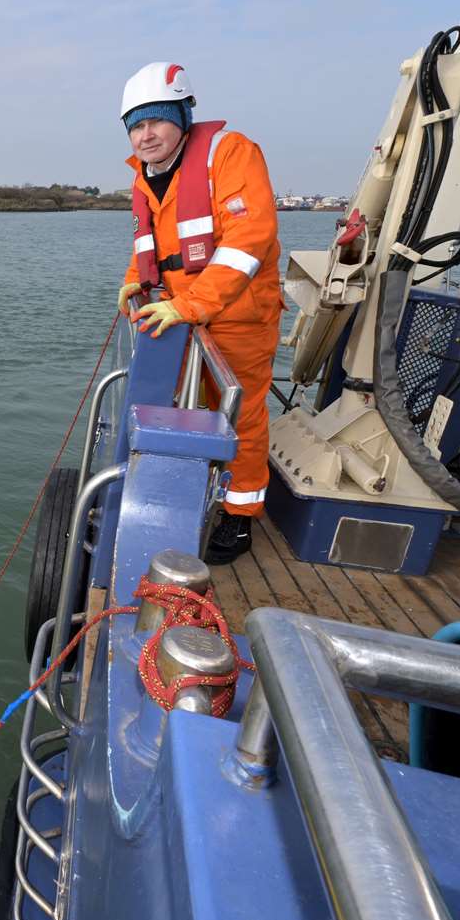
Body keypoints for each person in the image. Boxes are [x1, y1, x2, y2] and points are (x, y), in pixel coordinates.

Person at [117, 61, 283, 564]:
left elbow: (248, 239)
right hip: (177, 313)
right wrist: (133, 280)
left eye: (156, 121)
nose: (146, 135)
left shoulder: (229, 154)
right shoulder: (146, 177)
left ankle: (239, 514)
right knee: (177, 408)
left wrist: (192, 304)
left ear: (183, 116)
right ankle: (176, 493)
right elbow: (151, 241)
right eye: (136, 125)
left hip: (235, 312)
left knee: (238, 413)